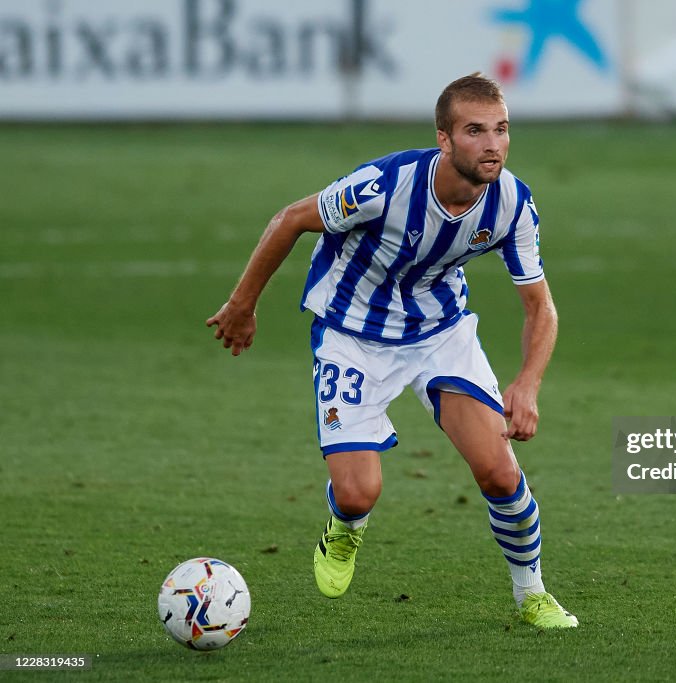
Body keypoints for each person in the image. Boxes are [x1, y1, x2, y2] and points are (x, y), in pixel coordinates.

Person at [206, 73, 577, 629]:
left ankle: (532, 594)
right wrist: (241, 306)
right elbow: (290, 219)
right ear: (444, 139)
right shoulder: (384, 186)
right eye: (475, 131)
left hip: (440, 334)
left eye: (501, 130)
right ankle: (344, 527)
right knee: (359, 493)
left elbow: (540, 307)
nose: (492, 144)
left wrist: (528, 383)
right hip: (352, 336)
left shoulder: (512, 205)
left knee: (500, 473)